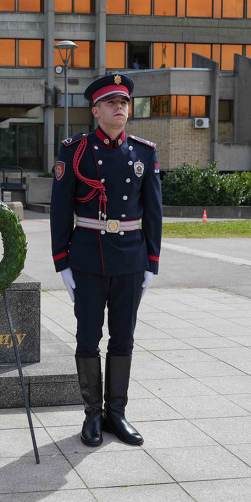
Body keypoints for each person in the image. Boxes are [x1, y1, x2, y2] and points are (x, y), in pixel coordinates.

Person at [50, 73, 162, 448]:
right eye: (112, 102)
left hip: (130, 257)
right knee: (87, 337)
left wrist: (151, 261)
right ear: (95, 110)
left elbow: (154, 211)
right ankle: (92, 416)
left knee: (124, 338)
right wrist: (62, 261)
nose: (120, 107)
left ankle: (117, 412)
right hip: (87, 257)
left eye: (124, 102)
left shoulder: (144, 152)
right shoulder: (75, 150)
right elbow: (60, 209)